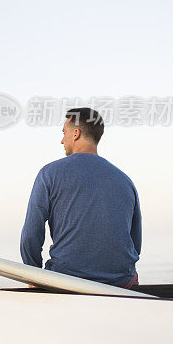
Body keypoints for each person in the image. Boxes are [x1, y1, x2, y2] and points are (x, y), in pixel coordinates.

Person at [20, 107, 141, 288]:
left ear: (75, 133)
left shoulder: (50, 174)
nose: (62, 140)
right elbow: (135, 243)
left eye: (64, 133)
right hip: (121, 284)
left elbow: (30, 236)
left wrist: (34, 275)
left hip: (66, 281)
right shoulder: (125, 180)